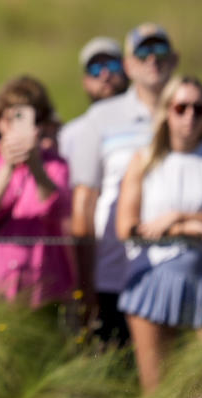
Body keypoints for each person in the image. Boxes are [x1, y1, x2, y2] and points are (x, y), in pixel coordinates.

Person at [116, 76, 202, 393]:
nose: (189, 117)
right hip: (155, 276)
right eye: (181, 107)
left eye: (199, 109)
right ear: (167, 111)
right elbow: (126, 227)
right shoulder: (144, 160)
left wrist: (180, 215)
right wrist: (184, 229)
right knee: (158, 390)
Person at [69, 22, 179, 345]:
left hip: (180, 275)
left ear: (175, 59)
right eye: (143, 52)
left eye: (160, 50)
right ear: (129, 65)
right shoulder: (100, 118)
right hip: (115, 277)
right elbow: (84, 204)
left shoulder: (192, 112)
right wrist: (85, 285)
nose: (152, 59)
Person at [0, 76, 73, 308]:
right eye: (13, 117)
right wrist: (8, 166)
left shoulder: (55, 164)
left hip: (45, 293)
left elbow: (59, 210)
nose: (19, 126)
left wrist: (36, 167)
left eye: (30, 118)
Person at [58, 36, 129, 163]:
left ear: (127, 70)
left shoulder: (146, 124)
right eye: (95, 69)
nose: (105, 75)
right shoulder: (70, 135)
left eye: (112, 65)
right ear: (85, 81)